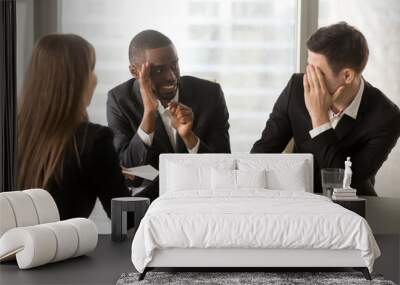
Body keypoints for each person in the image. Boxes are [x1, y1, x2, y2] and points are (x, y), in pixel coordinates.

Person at [251, 22, 400, 196]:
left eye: (317, 72)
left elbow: (346, 183)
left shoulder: (386, 117)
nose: (309, 77)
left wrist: (319, 119)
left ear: (347, 76)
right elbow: (261, 154)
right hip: (298, 198)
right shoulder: (297, 88)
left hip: (350, 205)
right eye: (308, 67)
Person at [17, 34, 131, 220]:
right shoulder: (93, 141)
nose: (96, 79)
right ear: (76, 81)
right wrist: (163, 183)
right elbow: (127, 219)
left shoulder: (12, 134)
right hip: (64, 249)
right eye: (91, 69)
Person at [107, 30, 231, 200]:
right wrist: (149, 115)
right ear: (135, 72)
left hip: (202, 200)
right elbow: (128, 169)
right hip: (149, 205)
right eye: (158, 71)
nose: (171, 76)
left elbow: (224, 167)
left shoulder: (210, 95)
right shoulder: (120, 100)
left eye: (174, 65)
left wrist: (189, 137)